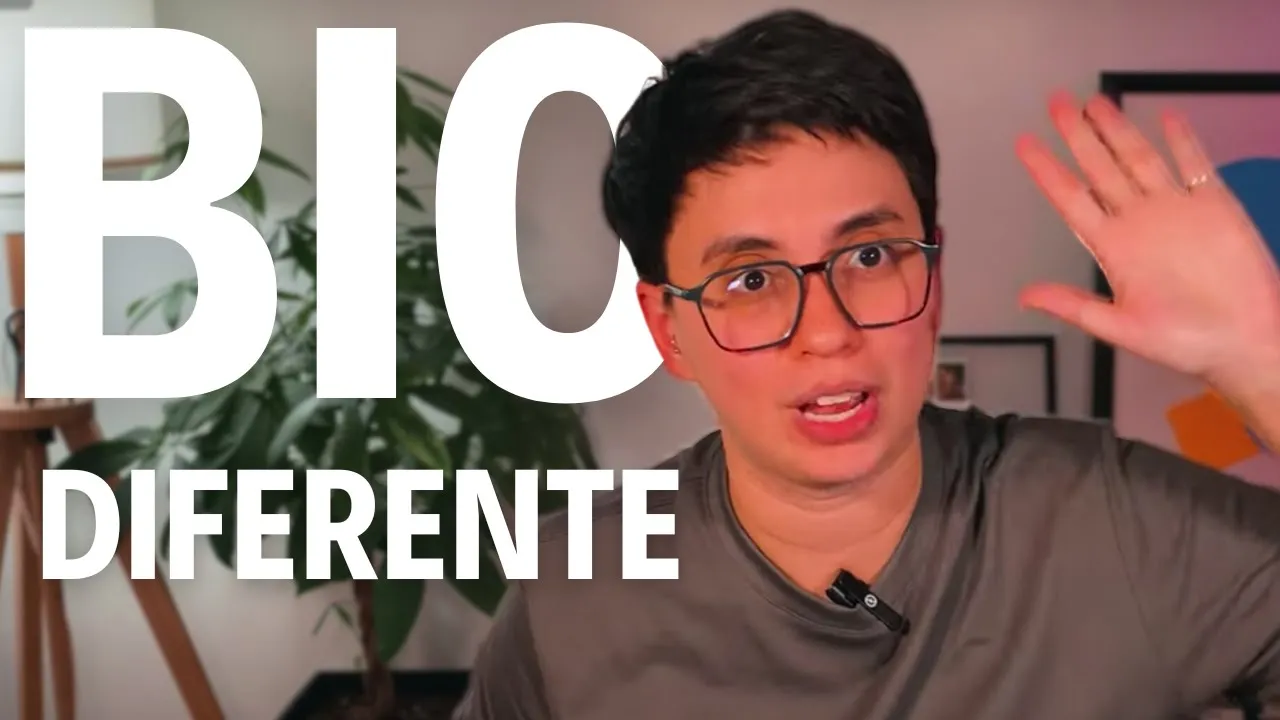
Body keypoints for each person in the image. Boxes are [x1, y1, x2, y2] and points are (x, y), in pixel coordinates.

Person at [453, 9, 1280, 719]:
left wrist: (1263, 360)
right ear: (668, 331)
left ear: (934, 278)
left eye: (872, 256)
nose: (827, 333)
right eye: (751, 280)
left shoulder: (1114, 522)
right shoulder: (576, 594)